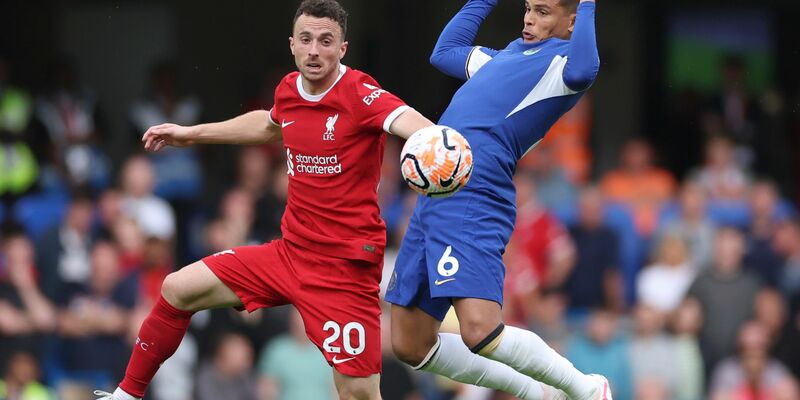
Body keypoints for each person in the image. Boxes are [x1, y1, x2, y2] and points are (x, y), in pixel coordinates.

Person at [94, 1, 435, 399]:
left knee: (358, 394)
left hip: (344, 272)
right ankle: (126, 395)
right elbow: (272, 123)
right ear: (292, 44)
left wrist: (434, 141)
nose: (314, 51)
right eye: (306, 39)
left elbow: (412, 122)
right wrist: (190, 134)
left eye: (326, 41)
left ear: (342, 48)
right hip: (289, 254)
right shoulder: (290, 90)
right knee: (177, 288)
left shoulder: (360, 93)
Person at [385, 0, 608, 399]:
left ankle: (587, 388)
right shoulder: (503, 56)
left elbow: (584, 69)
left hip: (476, 189)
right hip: (436, 191)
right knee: (409, 342)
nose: (528, 18)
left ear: (572, 21)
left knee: (480, 329)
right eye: (527, 8)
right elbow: (445, 52)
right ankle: (538, 393)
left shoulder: (563, 65)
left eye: (542, 11)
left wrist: (588, 5)